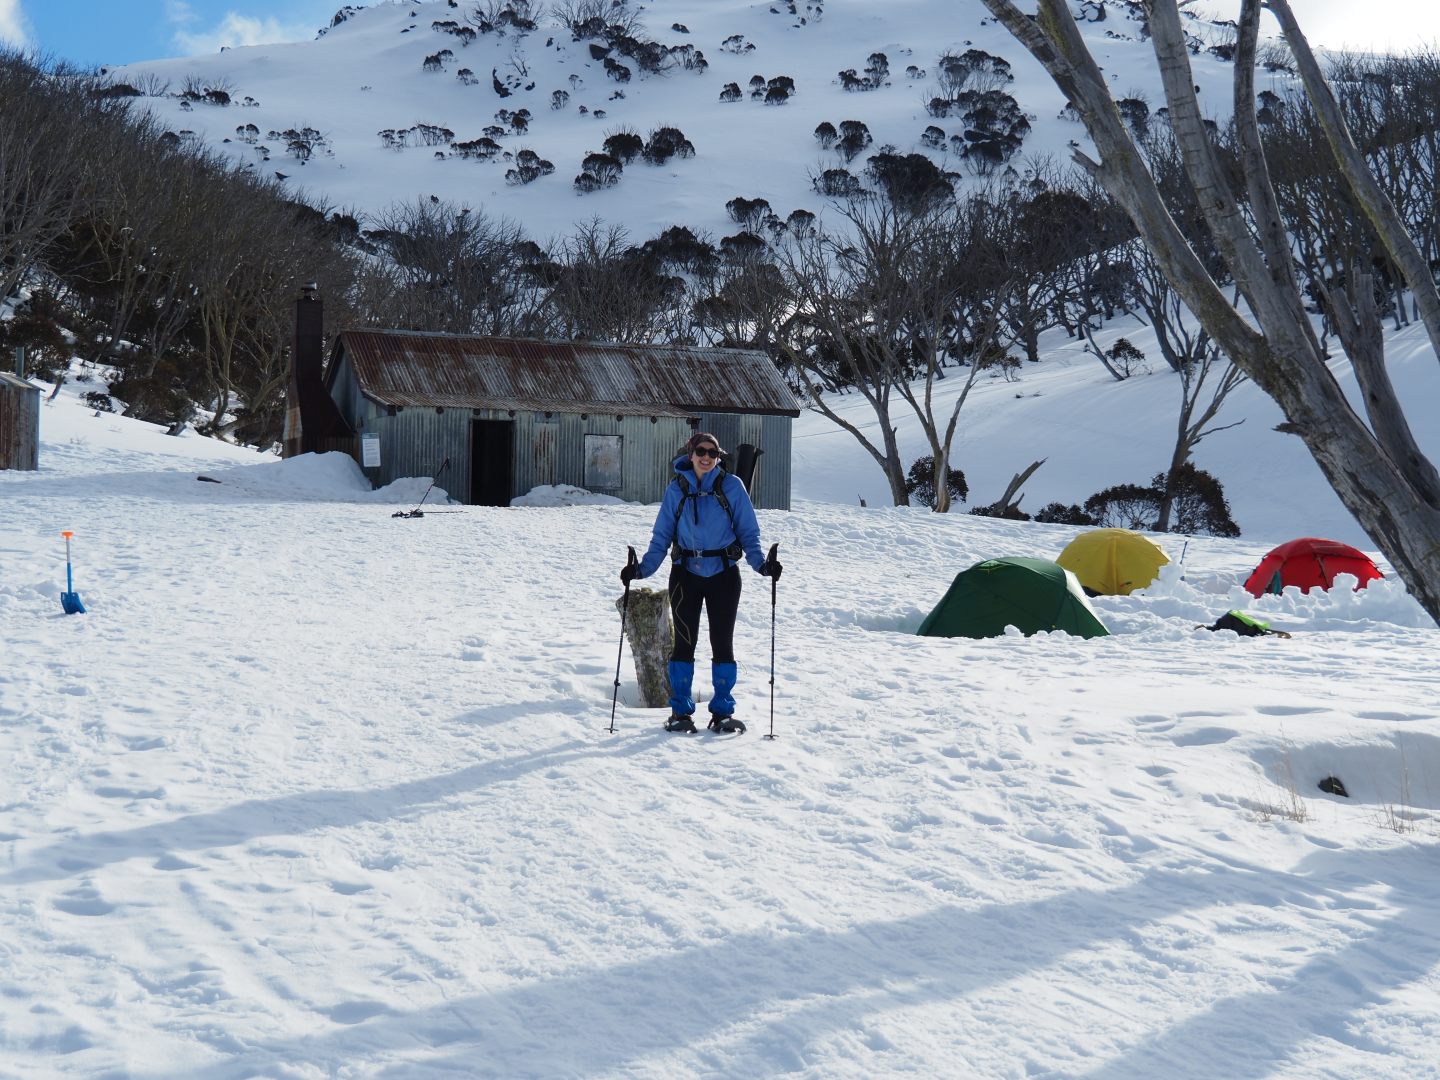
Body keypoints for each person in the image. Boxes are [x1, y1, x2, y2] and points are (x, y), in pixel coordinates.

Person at [621, 432, 781, 733]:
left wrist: (762, 565)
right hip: (685, 576)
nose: (707, 458)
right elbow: (661, 537)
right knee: (684, 643)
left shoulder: (732, 487)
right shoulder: (676, 489)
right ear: (690, 453)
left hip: (724, 574)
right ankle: (680, 712)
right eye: (701, 452)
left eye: (713, 453)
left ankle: (722, 713)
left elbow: (749, 532)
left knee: (723, 644)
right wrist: (641, 570)